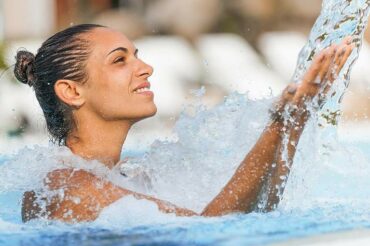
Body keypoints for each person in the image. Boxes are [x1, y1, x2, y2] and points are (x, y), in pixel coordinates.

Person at [16, 24, 354, 222]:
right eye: (120, 60)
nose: (145, 68)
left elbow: (255, 211)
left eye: (138, 54)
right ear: (72, 91)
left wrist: (296, 118)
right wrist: (278, 124)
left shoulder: (130, 175)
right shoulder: (64, 188)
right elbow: (211, 230)